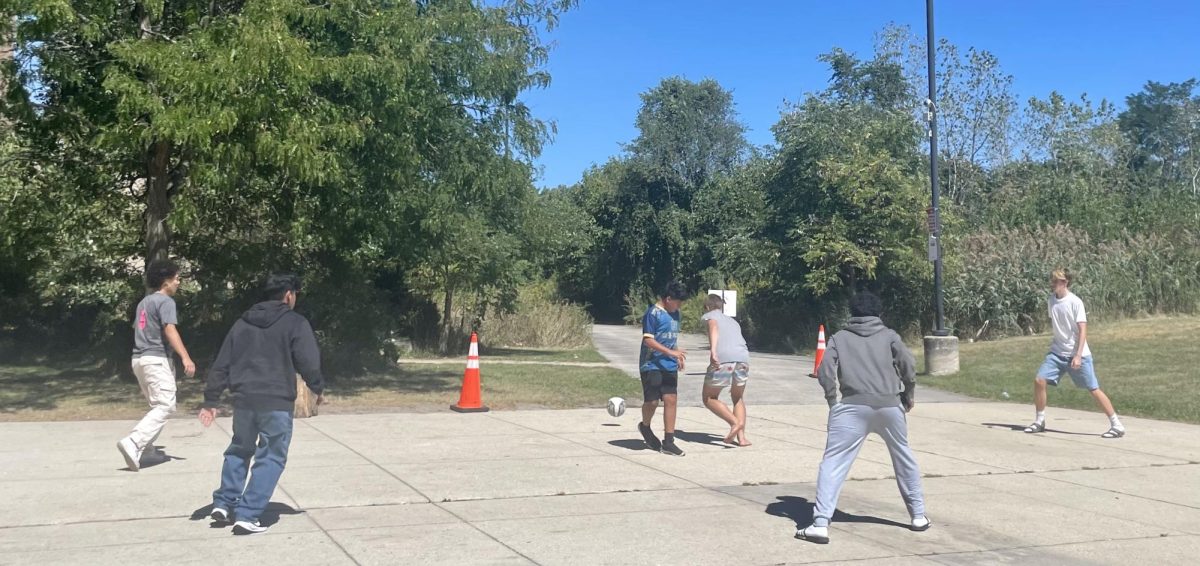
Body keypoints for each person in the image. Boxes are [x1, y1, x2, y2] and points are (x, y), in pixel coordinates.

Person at [797, 292, 929, 544]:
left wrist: (832, 401)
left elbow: (825, 370)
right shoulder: (890, 336)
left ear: (852, 313)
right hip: (890, 406)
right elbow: (908, 367)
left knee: (833, 462)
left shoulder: (839, 338)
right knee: (904, 458)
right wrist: (908, 394)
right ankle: (918, 516)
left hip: (851, 406)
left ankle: (820, 523)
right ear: (879, 313)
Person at [199, 274, 325, 534]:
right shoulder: (295, 323)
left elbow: (222, 362)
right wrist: (317, 386)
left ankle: (224, 502)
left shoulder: (242, 323)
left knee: (239, 449)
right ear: (289, 294)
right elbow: (308, 360)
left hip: (244, 399)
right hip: (276, 400)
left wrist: (211, 399)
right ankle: (248, 514)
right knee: (271, 456)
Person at [1024, 268, 1124, 438]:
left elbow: (1082, 330)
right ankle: (1039, 421)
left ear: (1065, 282)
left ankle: (1117, 425)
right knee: (1039, 380)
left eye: (1057, 281)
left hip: (1078, 354)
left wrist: (1078, 355)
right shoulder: (1051, 300)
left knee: (1093, 388)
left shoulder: (1075, 302)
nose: (1054, 284)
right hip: (1056, 353)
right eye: (1053, 281)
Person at [118, 259, 196, 471]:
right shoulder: (166, 302)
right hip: (155, 358)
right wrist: (185, 357)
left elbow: (139, 329)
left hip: (139, 359)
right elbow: (169, 329)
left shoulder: (144, 302)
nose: (178, 282)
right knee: (165, 405)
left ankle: (147, 450)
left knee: (156, 406)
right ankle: (134, 442)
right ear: (166, 281)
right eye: (177, 278)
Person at [637, 281, 688, 456]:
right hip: (651, 363)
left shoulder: (676, 314)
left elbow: (671, 338)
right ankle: (645, 426)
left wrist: (677, 355)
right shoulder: (653, 314)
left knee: (671, 398)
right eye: (678, 302)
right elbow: (648, 340)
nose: (680, 305)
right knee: (652, 401)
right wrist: (670, 352)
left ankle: (669, 441)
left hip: (669, 364)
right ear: (668, 299)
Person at [700, 293, 752, 446]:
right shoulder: (733, 322)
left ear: (707, 306)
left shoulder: (711, 316)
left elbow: (713, 327)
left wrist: (713, 352)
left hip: (724, 359)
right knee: (738, 397)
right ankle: (742, 438)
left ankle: (735, 423)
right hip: (743, 358)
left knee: (709, 398)